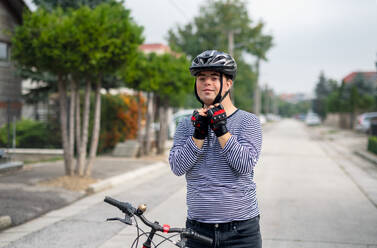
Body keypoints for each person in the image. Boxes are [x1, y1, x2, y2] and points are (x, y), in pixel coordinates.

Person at [169, 50, 263, 248]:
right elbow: (177, 167)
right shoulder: (187, 125)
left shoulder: (248, 121)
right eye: (201, 78)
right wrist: (197, 135)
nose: (207, 83)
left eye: (214, 77)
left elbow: (244, 164)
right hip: (197, 229)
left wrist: (222, 130)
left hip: (241, 232)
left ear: (228, 83)